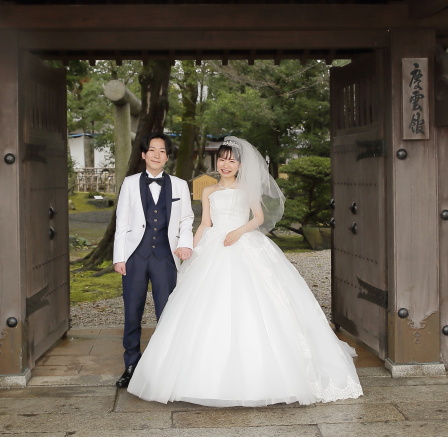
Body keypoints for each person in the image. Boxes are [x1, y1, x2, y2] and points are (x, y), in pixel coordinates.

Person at [127, 136, 363, 406]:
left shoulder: (246, 189)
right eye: (222, 159)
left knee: (256, 300)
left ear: (240, 165)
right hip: (214, 245)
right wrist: (191, 248)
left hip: (243, 241)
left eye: (231, 160)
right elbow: (204, 223)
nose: (226, 165)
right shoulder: (208, 190)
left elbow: (258, 218)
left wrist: (239, 231)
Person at [113, 132, 194, 388]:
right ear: (143, 154)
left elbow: (187, 219)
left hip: (165, 257)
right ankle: (131, 365)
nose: (157, 155)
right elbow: (122, 221)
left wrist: (185, 243)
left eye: (162, 151)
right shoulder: (130, 183)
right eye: (152, 150)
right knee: (132, 312)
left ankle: (165, 368)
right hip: (135, 256)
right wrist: (119, 257)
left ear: (167, 157)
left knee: (166, 313)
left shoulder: (180, 185)